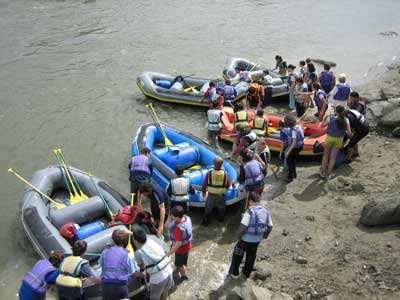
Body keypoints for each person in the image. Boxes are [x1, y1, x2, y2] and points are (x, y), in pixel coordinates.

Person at [228, 194, 273, 279]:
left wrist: (238, 236)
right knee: (251, 256)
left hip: (245, 240)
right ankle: (246, 273)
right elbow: (270, 226)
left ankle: (234, 273)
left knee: (237, 255)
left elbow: (243, 227)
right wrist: (264, 236)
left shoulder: (249, 212)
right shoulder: (266, 212)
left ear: (251, 201)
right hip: (256, 241)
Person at [100, 229, 143, 300]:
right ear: (125, 242)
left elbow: (101, 264)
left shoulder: (105, 252)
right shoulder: (127, 255)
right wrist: (142, 274)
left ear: (113, 240)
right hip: (120, 287)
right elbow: (134, 273)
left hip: (105, 286)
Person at [133, 229, 174, 300]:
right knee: (165, 290)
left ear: (136, 241)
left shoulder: (138, 252)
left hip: (158, 279)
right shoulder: (151, 240)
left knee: (155, 297)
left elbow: (141, 266)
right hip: (168, 270)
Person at [320, 105, 352, 179]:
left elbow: (322, 126)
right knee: (333, 157)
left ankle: (323, 171)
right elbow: (349, 133)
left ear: (336, 111)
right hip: (339, 139)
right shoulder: (346, 119)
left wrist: (325, 117)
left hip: (330, 138)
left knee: (325, 155)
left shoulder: (331, 118)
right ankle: (329, 174)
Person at [201, 156, 231, 225]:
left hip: (211, 195)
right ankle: (221, 219)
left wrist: (203, 192)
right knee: (222, 208)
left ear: (214, 164)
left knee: (208, 209)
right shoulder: (225, 174)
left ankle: (205, 222)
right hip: (220, 195)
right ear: (222, 165)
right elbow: (228, 185)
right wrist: (223, 190)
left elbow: (204, 185)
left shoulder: (209, 173)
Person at [166, 206, 193, 282]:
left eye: (172, 216)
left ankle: (184, 276)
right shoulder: (187, 218)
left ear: (177, 217)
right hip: (188, 245)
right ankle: (182, 265)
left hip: (181, 249)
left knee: (179, 264)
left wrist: (169, 253)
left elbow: (178, 244)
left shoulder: (178, 229)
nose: (171, 216)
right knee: (183, 260)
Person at [284, 115, 304, 182]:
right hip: (300, 145)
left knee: (289, 161)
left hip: (296, 147)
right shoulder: (298, 127)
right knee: (292, 160)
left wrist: (288, 152)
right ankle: (294, 174)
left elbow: (294, 143)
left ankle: (290, 176)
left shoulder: (294, 131)